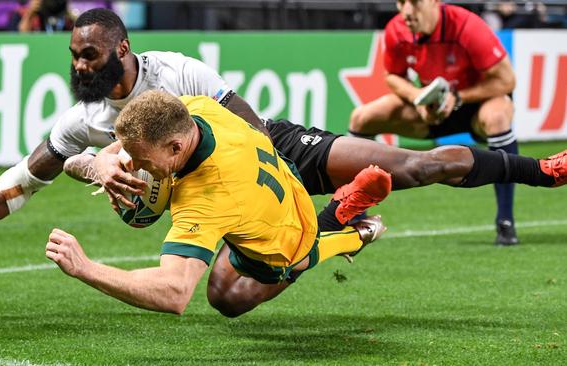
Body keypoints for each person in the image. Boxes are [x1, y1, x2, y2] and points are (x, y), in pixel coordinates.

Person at [0, 8, 565, 242]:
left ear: (120, 50)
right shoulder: (83, 120)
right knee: (231, 295)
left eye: (88, 54)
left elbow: (248, 122)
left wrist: (278, 179)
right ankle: (339, 226)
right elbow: (28, 176)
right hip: (217, 198)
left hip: (266, 150)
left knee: (418, 165)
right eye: (73, 56)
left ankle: (542, 170)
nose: (79, 64)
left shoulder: (174, 71)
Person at [46, 90, 389, 317]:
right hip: (277, 181)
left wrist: (85, 268)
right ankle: (343, 222)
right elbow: (113, 149)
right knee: (225, 267)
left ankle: (348, 227)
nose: (134, 165)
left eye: (143, 161)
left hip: (287, 236)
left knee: (227, 297)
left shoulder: (206, 199)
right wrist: (105, 161)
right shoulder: (195, 109)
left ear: (176, 149)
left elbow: (174, 292)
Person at [348, 0, 520, 245]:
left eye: (415, 3)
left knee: (497, 117)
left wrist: (458, 97)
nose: (407, 11)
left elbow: (507, 81)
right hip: (433, 106)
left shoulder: (467, 26)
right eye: (401, 2)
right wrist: (417, 99)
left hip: (477, 105)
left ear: (434, 2)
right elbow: (393, 77)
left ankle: (505, 222)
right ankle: (356, 216)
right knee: (362, 118)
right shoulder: (397, 28)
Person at [8, 0, 75, 33]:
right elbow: (20, 40)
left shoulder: (67, 18)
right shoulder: (21, 14)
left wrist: (71, 13)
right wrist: (30, 13)